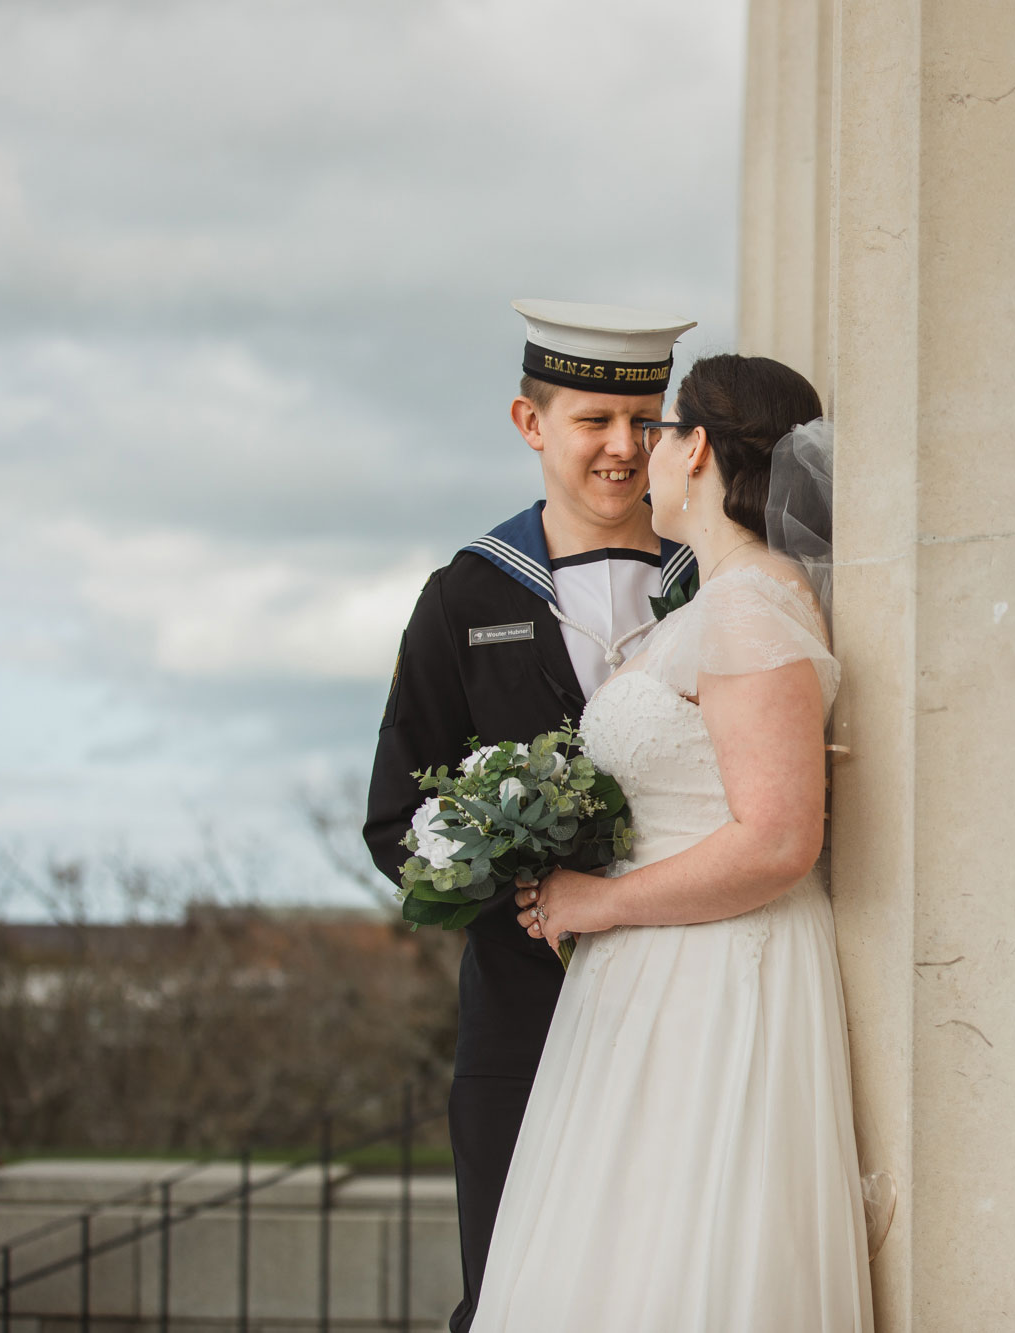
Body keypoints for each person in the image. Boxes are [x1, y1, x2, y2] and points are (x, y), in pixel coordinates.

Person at [470, 354, 872, 1331]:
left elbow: (777, 840)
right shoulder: (720, 605)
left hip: (710, 981)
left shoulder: (748, 610)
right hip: (652, 980)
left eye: (657, 430)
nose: (641, 453)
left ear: (692, 447)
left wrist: (591, 899)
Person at [361, 300, 702, 1333]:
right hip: (523, 1020)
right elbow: (394, 817)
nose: (620, 447)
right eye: (593, 421)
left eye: (642, 422)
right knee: (520, 1293)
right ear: (529, 423)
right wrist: (514, 882)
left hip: (691, 1003)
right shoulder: (463, 598)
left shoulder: (717, 584)